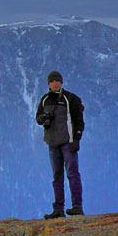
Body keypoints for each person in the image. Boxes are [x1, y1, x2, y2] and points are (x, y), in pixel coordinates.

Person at [35, 70, 85, 219]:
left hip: (68, 142)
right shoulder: (45, 100)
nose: (55, 83)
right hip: (52, 143)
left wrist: (76, 139)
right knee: (57, 176)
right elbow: (38, 119)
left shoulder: (70, 98)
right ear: (48, 84)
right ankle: (58, 209)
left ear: (61, 82)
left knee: (72, 174)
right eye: (52, 81)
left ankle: (77, 207)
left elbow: (79, 121)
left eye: (57, 80)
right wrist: (44, 117)